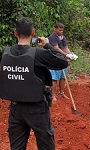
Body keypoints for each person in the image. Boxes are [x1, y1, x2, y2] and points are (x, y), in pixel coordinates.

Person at [0, 17, 69, 150]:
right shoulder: (38, 54)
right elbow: (62, 62)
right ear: (33, 33)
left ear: (15, 32)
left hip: (15, 110)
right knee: (46, 146)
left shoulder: (6, 53)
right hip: (37, 109)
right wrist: (47, 44)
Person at [48, 23, 77, 101]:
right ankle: (53, 95)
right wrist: (66, 55)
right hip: (55, 59)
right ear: (55, 29)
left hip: (63, 59)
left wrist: (71, 54)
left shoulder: (63, 37)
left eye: (62, 30)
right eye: (59, 30)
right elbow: (56, 49)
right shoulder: (52, 37)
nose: (61, 32)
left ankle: (62, 93)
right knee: (54, 78)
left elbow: (66, 48)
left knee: (63, 77)